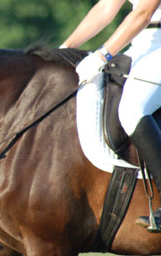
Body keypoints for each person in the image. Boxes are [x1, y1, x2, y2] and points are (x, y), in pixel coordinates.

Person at [61, 0, 161, 230]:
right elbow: (106, 8)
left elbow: (143, 14)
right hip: (141, 46)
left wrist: (101, 56)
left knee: (132, 109)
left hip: (157, 46)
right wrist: (65, 48)